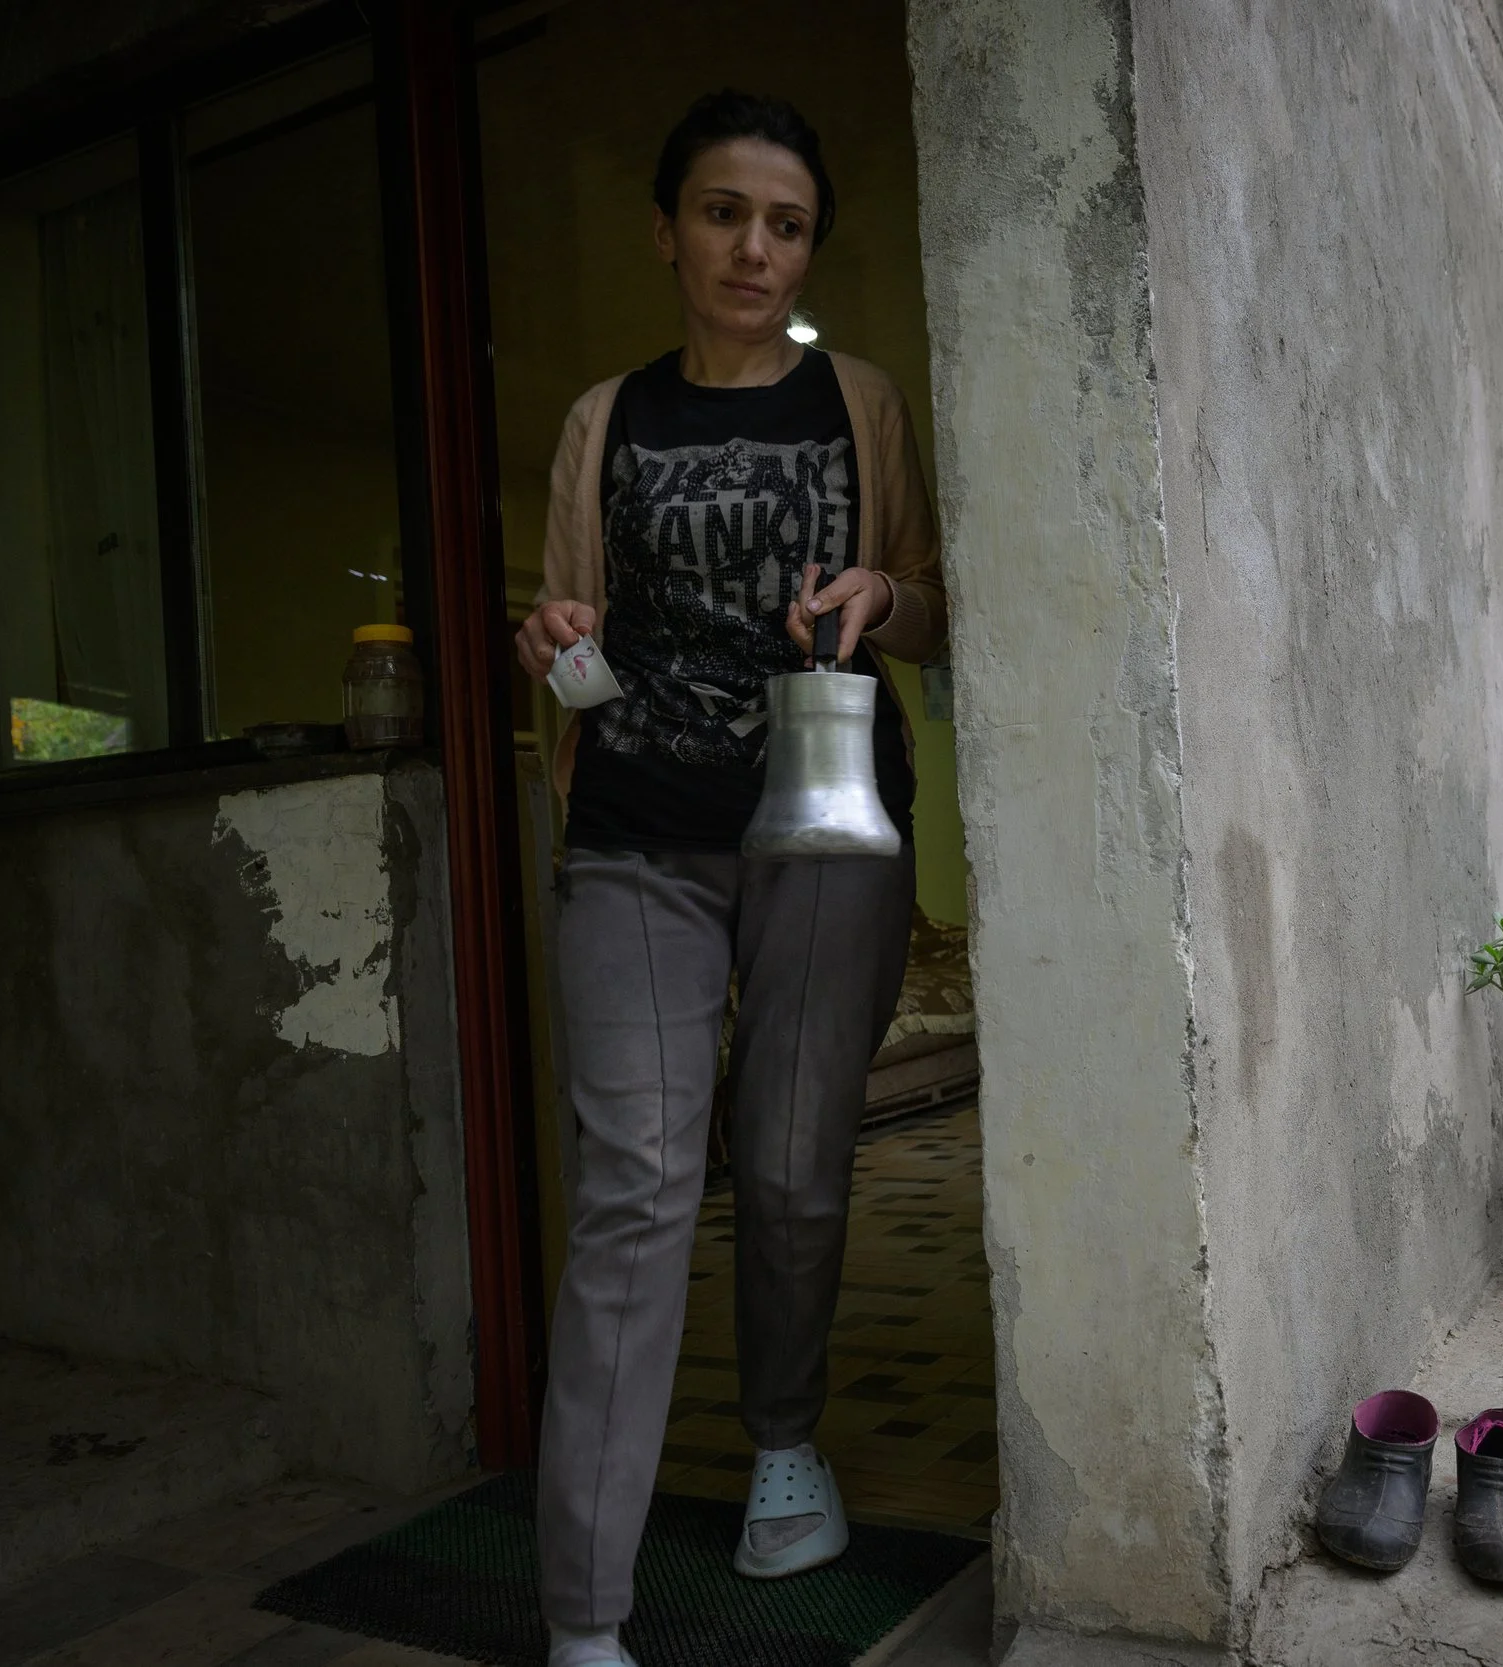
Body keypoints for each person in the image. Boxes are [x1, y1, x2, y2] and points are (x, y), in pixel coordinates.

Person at [512, 89, 948, 1667]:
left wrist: (886, 590)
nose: (752, 247)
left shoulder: (862, 401)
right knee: (631, 1190)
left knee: (788, 1167)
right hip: (636, 831)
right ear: (667, 230)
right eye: (721, 212)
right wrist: (547, 636)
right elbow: (567, 615)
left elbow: (937, 604)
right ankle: (584, 1612)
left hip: (824, 823)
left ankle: (783, 1443)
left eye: (783, 222)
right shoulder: (603, 419)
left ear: (806, 242)